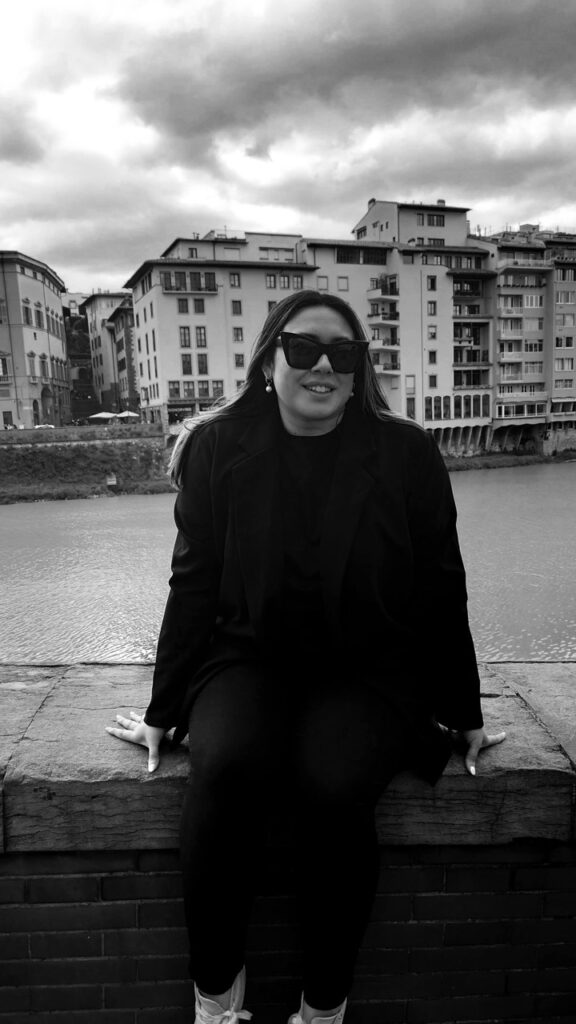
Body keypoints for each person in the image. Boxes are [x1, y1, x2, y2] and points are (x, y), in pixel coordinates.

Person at [106, 290, 506, 1024]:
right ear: (269, 361)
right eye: (303, 348)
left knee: (333, 783)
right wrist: (164, 712)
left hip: (369, 665)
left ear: (359, 371)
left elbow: (440, 586)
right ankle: (216, 995)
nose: (323, 365)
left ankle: (323, 1006)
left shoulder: (406, 453)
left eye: (342, 354)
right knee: (226, 766)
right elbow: (192, 585)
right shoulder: (218, 447)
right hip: (247, 654)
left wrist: (463, 709)